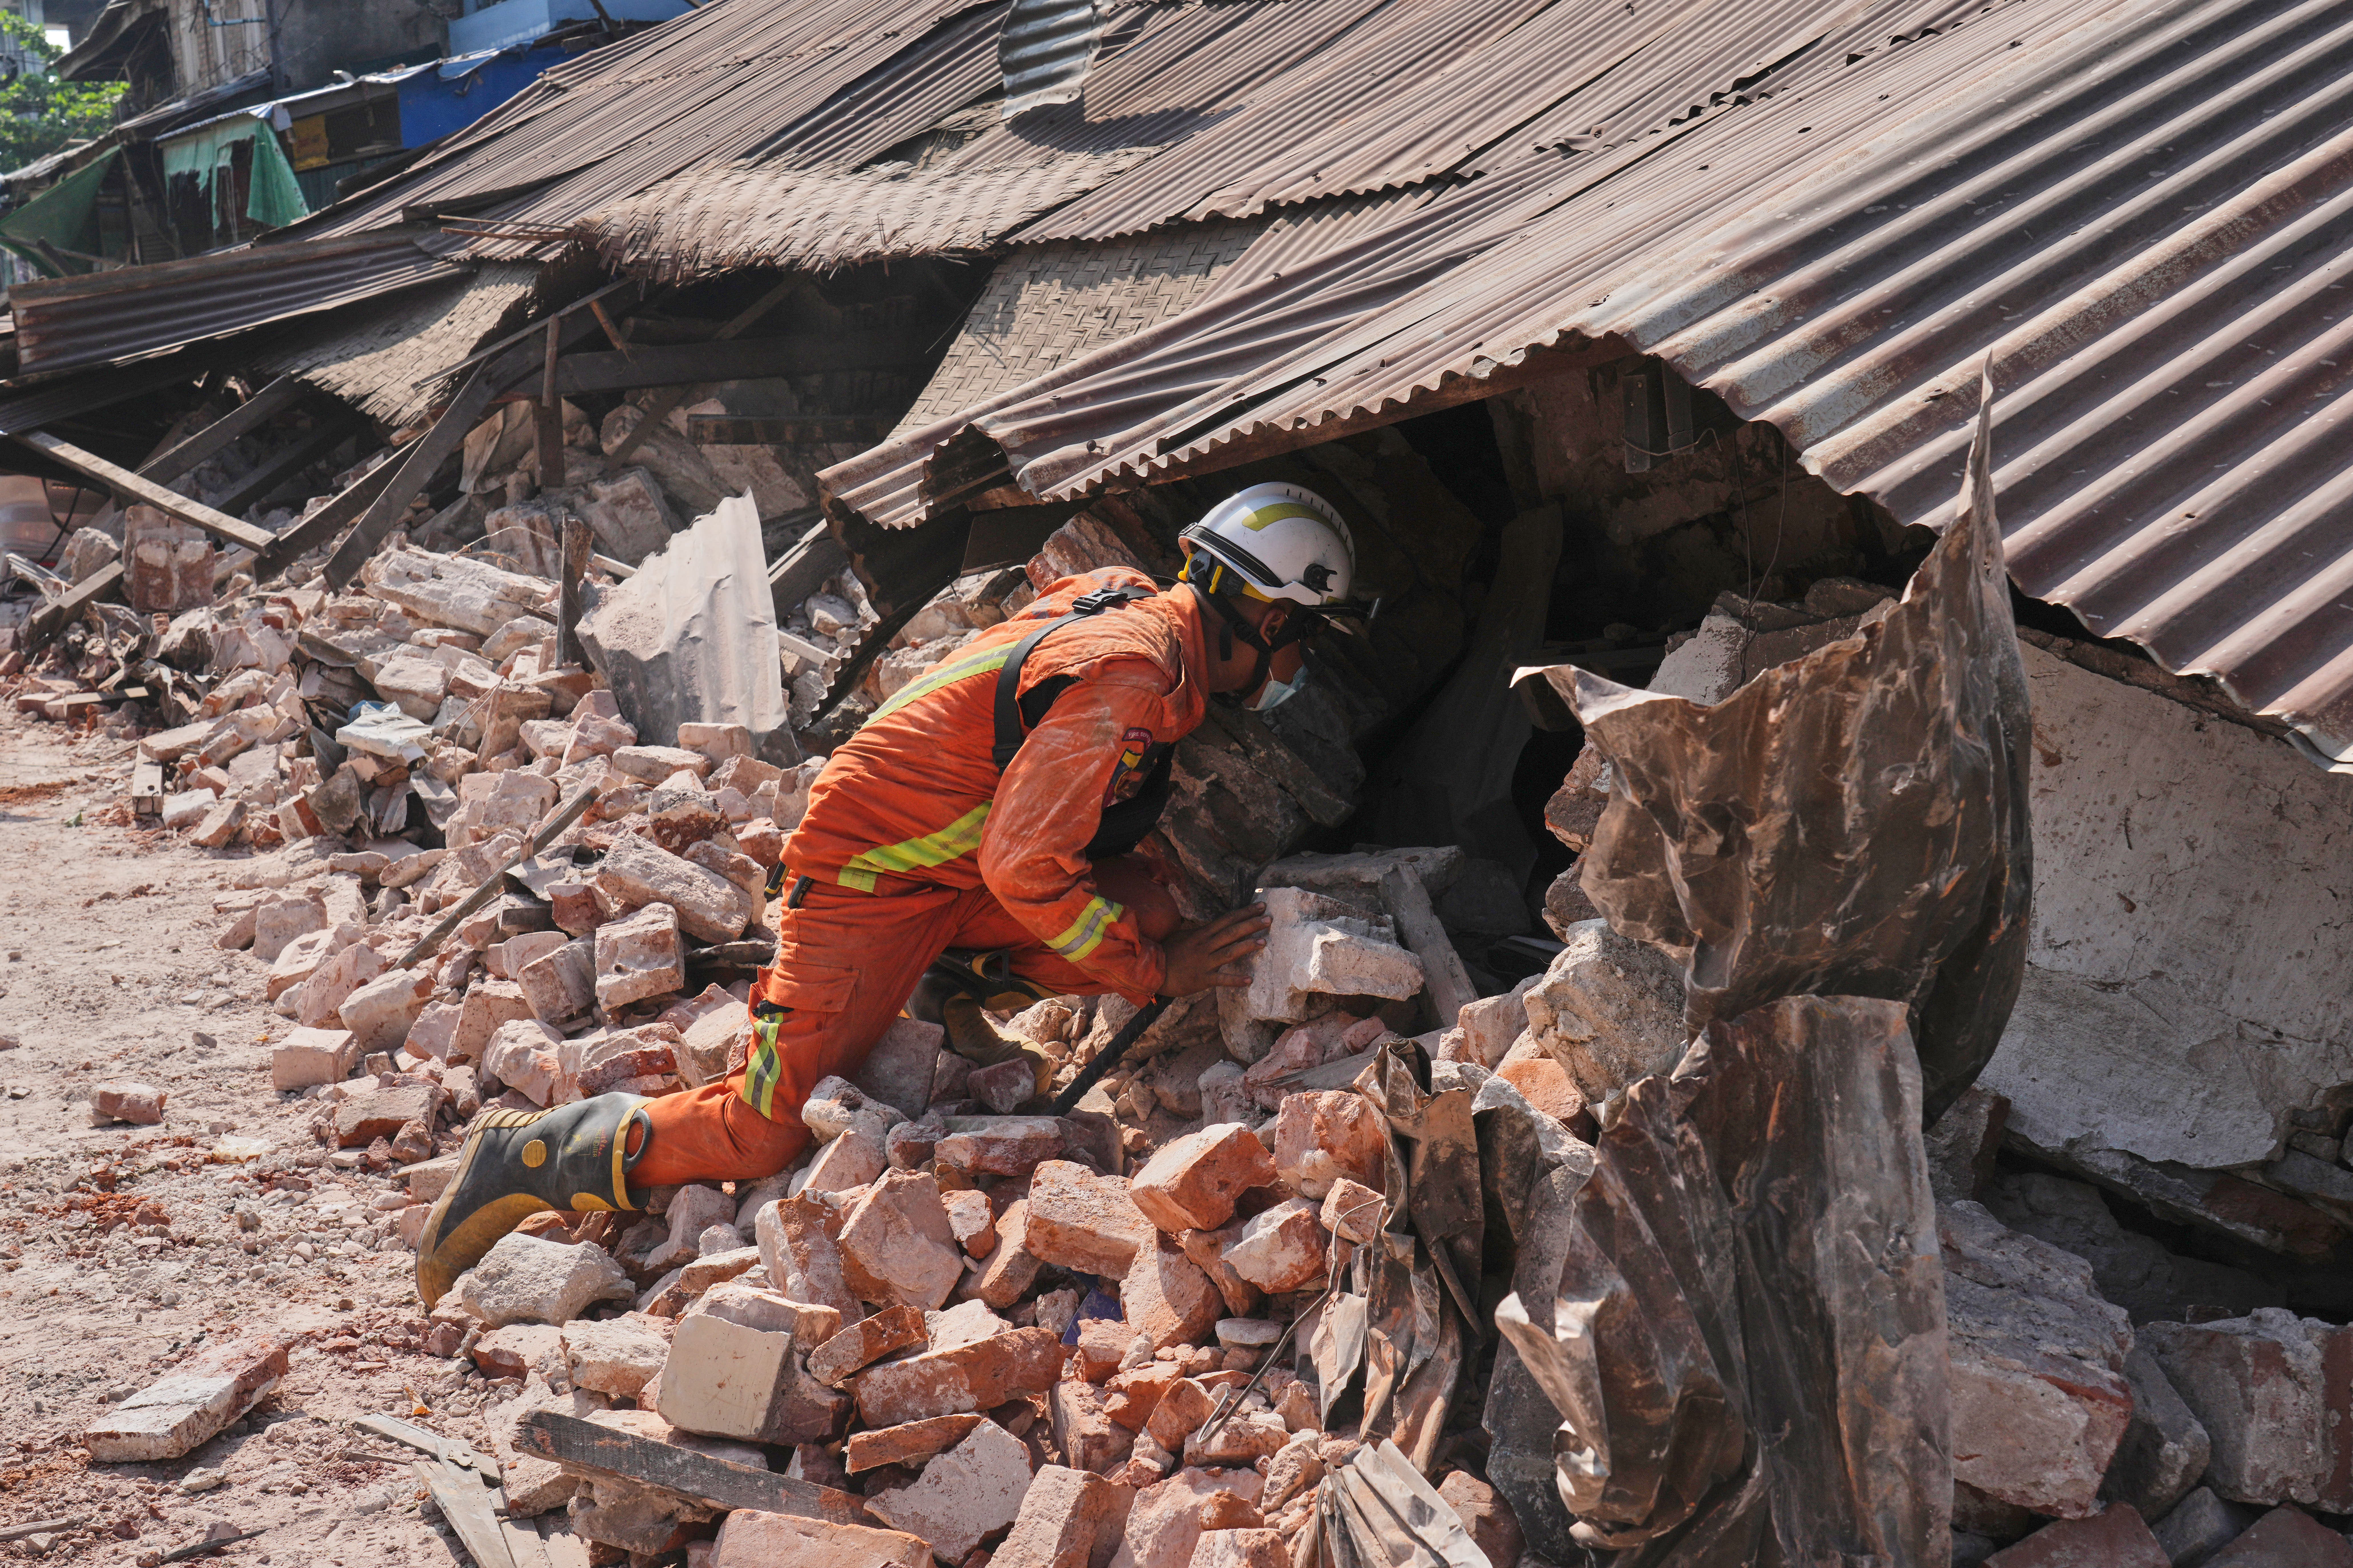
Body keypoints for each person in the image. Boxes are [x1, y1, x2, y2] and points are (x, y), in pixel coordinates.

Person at [416, 482, 1365, 1305]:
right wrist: (1154, 974)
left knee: (1143, 902)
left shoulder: (1126, 607)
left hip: (942, 869)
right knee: (761, 1133)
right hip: (868, 877)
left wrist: (1143, 942)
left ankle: (942, 985)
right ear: (1272, 620)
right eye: (1308, 637)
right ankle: (529, 1155)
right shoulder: (1135, 677)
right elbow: (1027, 867)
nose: (1301, 665)